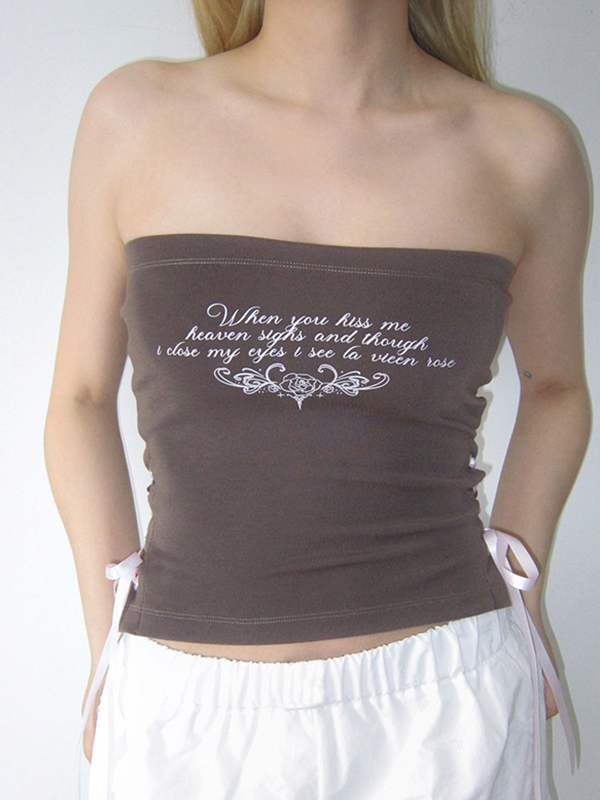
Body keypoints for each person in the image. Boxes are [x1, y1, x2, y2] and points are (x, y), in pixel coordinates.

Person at [44, 1, 591, 798]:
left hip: (446, 710)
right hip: (184, 715)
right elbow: (80, 397)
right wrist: (109, 652)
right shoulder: (134, 117)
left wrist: (523, 606)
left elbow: (558, 388)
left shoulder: (524, 148)